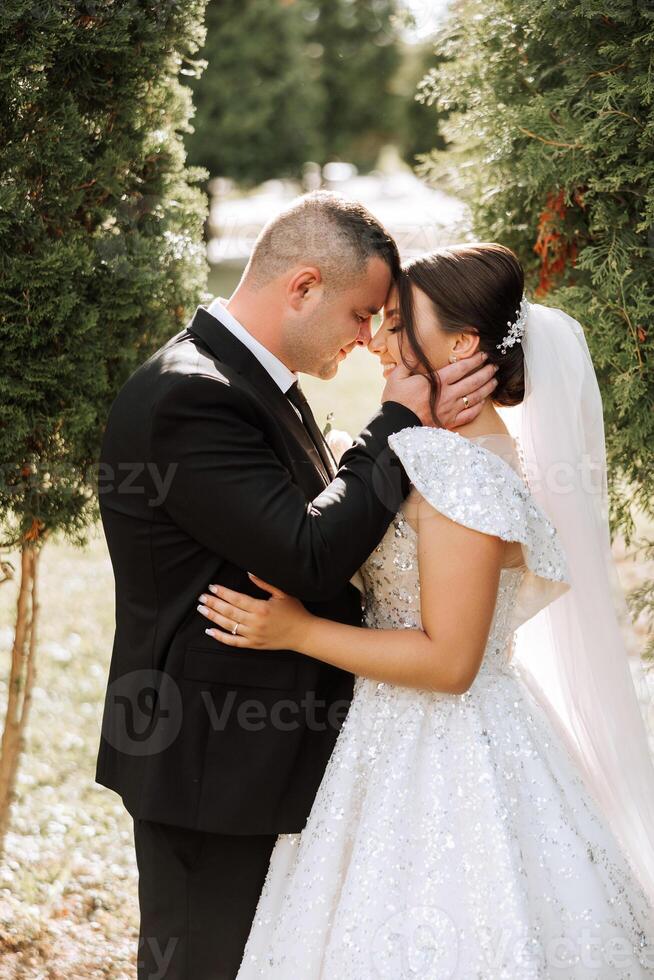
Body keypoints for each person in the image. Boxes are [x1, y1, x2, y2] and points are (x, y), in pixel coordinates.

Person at [198, 243, 654, 978]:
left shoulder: (455, 469)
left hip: (437, 746)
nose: (376, 339)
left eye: (400, 321)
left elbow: (449, 662)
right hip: (405, 732)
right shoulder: (459, 449)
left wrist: (297, 631)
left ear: (464, 343)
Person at [95, 193, 497, 980]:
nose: (367, 338)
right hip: (209, 764)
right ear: (303, 286)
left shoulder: (251, 381)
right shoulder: (193, 394)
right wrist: (394, 426)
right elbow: (308, 553)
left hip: (260, 757)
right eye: (360, 314)